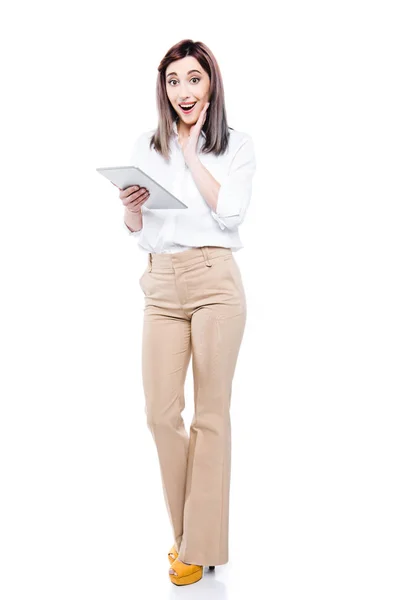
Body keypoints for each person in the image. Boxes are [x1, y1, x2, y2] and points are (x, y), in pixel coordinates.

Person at [118, 39, 256, 586]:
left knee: (211, 417)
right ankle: (190, 540)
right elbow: (141, 234)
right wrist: (131, 213)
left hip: (215, 282)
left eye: (193, 79)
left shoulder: (237, 146)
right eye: (174, 81)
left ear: (211, 84)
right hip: (161, 283)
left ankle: (197, 549)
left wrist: (195, 156)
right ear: (164, 89)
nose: (184, 91)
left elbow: (231, 212)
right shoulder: (146, 146)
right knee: (160, 413)